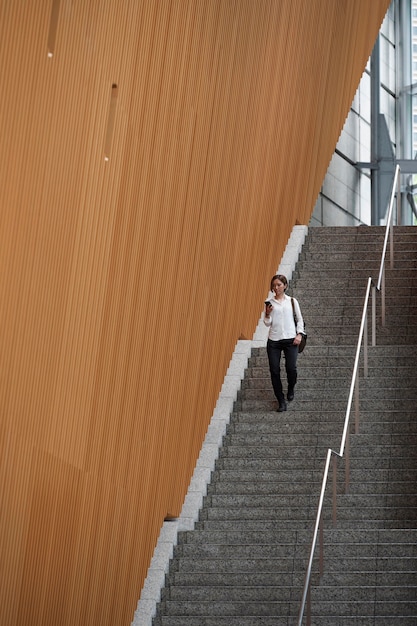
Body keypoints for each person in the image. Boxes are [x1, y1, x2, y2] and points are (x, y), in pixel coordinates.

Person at [263, 274, 304, 412]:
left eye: (279, 285)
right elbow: (267, 323)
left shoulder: (292, 301)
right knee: (274, 371)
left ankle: (291, 387)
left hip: (290, 339)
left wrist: (299, 334)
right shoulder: (269, 302)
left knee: (291, 368)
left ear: (285, 286)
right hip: (274, 340)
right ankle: (281, 400)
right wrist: (267, 314)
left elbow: (299, 319)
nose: (276, 287)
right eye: (274, 285)